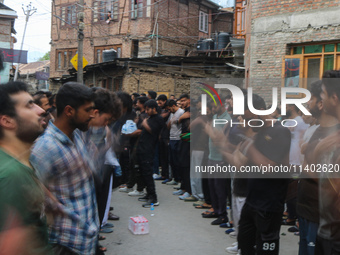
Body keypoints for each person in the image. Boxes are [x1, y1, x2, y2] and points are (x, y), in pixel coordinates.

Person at [30, 82, 100, 255]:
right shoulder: (45, 148)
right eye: (88, 110)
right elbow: (33, 201)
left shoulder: (77, 134)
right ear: (69, 111)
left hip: (86, 237)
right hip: (65, 244)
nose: (92, 115)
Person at [236, 93, 291, 255]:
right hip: (251, 201)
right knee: (244, 246)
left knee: (265, 251)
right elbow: (240, 164)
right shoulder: (258, 132)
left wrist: (249, 142)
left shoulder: (280, 131)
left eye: (248, 118)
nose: (247, 123)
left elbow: (269, 167)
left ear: (260, 110)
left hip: (268, 205)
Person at [0, 81, 50, 255]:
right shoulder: (12, 176)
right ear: (7, 121)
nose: (41, 110)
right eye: (29, 106)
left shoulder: (21, 162)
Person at [297, 80, 339, 255]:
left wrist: (309, 160)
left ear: (322, 103)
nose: (308, 103)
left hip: (321, 215)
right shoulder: (314, 131)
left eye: (312, 98)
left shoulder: (335, 137)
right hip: (305, 209)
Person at [313, 70, 340, 254]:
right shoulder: (334, 135)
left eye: (322, 93)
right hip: (326, 231)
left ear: (334, 98)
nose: (320, 99)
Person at [137, 99, 165, 207]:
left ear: (154, 108)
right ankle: (148, 194)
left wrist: (144, 123)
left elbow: (153, 131)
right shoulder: (150, 118)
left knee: (148, 173)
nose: (147, 111)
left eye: (148, 109)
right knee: (143, 172)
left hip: (149, 149)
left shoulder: (159, 119)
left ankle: (153, 197)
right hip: (142, 148)